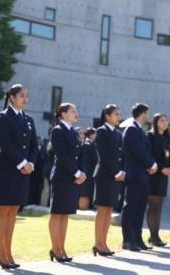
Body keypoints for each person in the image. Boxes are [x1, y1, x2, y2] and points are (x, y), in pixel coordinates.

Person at [0, 84, 39, 270]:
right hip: (8, 169)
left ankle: (8, 252)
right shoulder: (3, 116)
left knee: (13, 211)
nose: (25, 99)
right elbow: (5, 143)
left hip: (24, 170)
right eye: (21, 96)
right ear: (11, 97)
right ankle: (0, 252)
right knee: (3, 210)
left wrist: (31, 164)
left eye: (27, 96)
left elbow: (34, 146)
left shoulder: (28, 119)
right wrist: (22, 163)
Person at [48, 103, 87, 263]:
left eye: (76, 111)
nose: (76, 113)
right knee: (57, 213)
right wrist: (76, 172)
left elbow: (80, 154)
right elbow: (62, 155)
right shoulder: (57, 131)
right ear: (63, 114)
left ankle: (61, 248)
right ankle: (55, 248)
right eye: (72, 111)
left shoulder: (73, 131)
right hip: (62, 177)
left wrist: (81, 173)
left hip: (72, 178)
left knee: (65, 214)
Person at [120, 103, 158, 251]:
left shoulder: (138, 129)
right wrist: (151, 164)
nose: (148, 116)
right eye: (146, 113)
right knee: (131, 207)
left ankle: (137, 238)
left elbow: (144, 150)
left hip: (142, 174)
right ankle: (127, 239)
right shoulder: (131, 129)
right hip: (135, 174)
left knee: (140, 207)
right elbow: (138, 151)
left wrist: (151, 163)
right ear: (142, 114)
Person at [93, 104, 125, 257]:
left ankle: (103, 243)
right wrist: (116, 171)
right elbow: (103, 156)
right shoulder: (101, 131)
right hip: (105, 175)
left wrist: (122, 171)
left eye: (119, 114)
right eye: (116, 114)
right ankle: (98, 243)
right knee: (102, 210)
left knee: (109, 210)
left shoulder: (118, 133)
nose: (119, 117)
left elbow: (121, 156)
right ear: (107, 116)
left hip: (116, 176)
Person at [146, 113, 170, 247]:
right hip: (154, 175)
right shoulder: (150, 136)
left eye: (166, 121)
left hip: (163, 176)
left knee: (159, 206)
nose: (165, 123)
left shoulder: (167, 137)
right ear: (156, 122)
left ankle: (156, 235)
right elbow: (150, 155)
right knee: (153, 206)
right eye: (162, 120)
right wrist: (161, 168)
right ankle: (152, 235)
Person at [79, 128, 97, 211]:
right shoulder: (90, 145)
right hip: (89, 170)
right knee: (87, 188)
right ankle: (87, 205)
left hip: (84, 169)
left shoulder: (85, 144)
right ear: (91, 135)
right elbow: (95, 159)